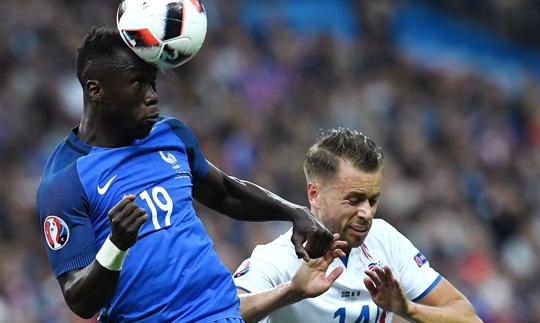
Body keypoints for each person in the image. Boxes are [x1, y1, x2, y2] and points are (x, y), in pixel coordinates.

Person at [35, 27, 333, 323]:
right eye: (137, 83)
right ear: (95, 90)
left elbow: (224, 192)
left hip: (222, 313)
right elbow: (80, 300)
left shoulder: (170, 133)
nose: (152, 96)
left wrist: (292, 211)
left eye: (153, 83)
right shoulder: (65, 180)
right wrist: (116, 245)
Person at [233, 128, 483, 323]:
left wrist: (407, 309)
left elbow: (467, 317)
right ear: (314, 194)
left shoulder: (384, 239)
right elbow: (215, 314)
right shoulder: (278, 258)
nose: (366, 213)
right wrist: (289, 292)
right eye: (354, 200)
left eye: (373, 201)